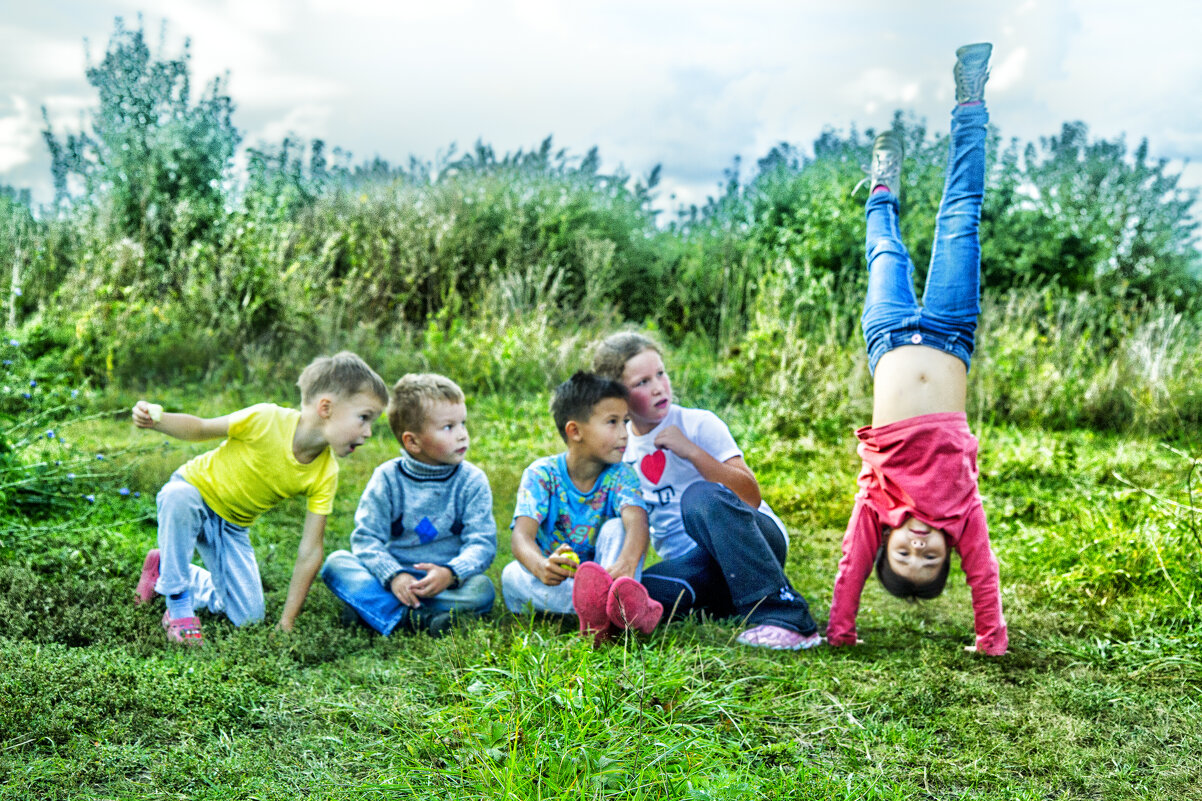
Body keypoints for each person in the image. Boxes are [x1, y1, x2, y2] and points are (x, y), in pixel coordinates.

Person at [826, 43, 1007, 656]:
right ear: (947, 552)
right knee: (961, 215)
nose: (918, 548)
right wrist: (990, 637)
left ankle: (881, 187)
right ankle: (970, 97)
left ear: (887, 543)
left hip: (889, 335)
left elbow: (851, 568)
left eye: (903, 555)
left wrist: (841, 631)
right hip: (953, 332)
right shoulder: (962, 514)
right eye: (927, 560)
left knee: (886, 250)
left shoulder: (876, 501)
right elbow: (985, 576)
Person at [132, 351, 389, 645]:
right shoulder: (266, 419)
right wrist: (158, 420)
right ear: (326, 407)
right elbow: (202, 427)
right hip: (195, 493)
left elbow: (310, 550)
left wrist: (286, 621)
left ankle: (165, 568)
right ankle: (178, 605)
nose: (368, 432)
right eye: (364, 418)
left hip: (231, 527)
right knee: (177, 496)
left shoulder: (325, 472)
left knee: (249, 616)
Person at [592, 334, 821, 650]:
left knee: (699, 496)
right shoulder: (621, 452)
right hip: (697, 565)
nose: (659, 386)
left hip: (755, 541)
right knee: (636, 593)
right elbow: (634, 519)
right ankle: (733, 603)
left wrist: (692, 453)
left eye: (661, 374)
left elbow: (750, 496)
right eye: (642, 382)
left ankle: (788, 617)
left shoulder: (698, 424)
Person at [319, 373, 497, 636]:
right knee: (337, 564)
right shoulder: (387, 478)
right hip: (392, 578)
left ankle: (374, 611)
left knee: (482, 589)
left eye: (462, 423)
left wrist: (451, 572)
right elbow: (367, 539)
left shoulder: (471, 481)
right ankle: (420, 619)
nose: (462, 435)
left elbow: (482, 543)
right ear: (412, 442)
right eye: (448, 427)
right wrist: (393, 576)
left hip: (445, 584)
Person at [502, 371, 658, 644]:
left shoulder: (622, 475)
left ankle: (608, 606)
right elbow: (521, 537)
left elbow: (637, 522)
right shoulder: (542, 474)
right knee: (511, 575)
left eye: (626, 421)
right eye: (612, 422)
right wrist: (541, 566)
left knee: (617, 526)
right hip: (561, 582)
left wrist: (627, 563)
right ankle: (618, 611)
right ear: (574, 431)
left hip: (609, 575)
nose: (624, 434)